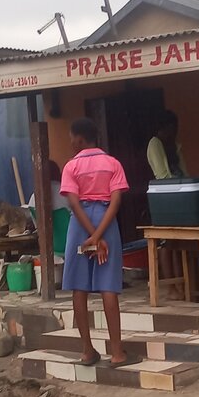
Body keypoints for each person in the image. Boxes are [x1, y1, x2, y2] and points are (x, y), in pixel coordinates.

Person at [60, 117, 131, 368]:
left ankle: (87, 351)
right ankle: (117, 353)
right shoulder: (112, 163)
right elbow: (116, 201)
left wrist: (90, 234)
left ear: (80, 139)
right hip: (106, 222)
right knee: (108, 286)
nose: (71, 144)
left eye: (71, 139)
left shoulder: (71, 167)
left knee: (79, 288)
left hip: (79, 226)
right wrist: (100, 234)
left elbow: (73, 202)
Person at [147, 111, 186, 298]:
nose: (175, 132)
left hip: (179, 196)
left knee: (180, 242)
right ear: (163, 128)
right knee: (166, 242)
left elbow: (184, 172)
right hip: (164, 197)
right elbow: (163, 176)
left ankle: (183, 283)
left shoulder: (174, 146)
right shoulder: (155, 144)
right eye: (172, 128)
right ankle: (171, 287)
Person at [27, 161, 70, 256]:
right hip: (71, 246)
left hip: (51, 249)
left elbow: (37, 227)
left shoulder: (34, 197)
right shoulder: (66, 193)